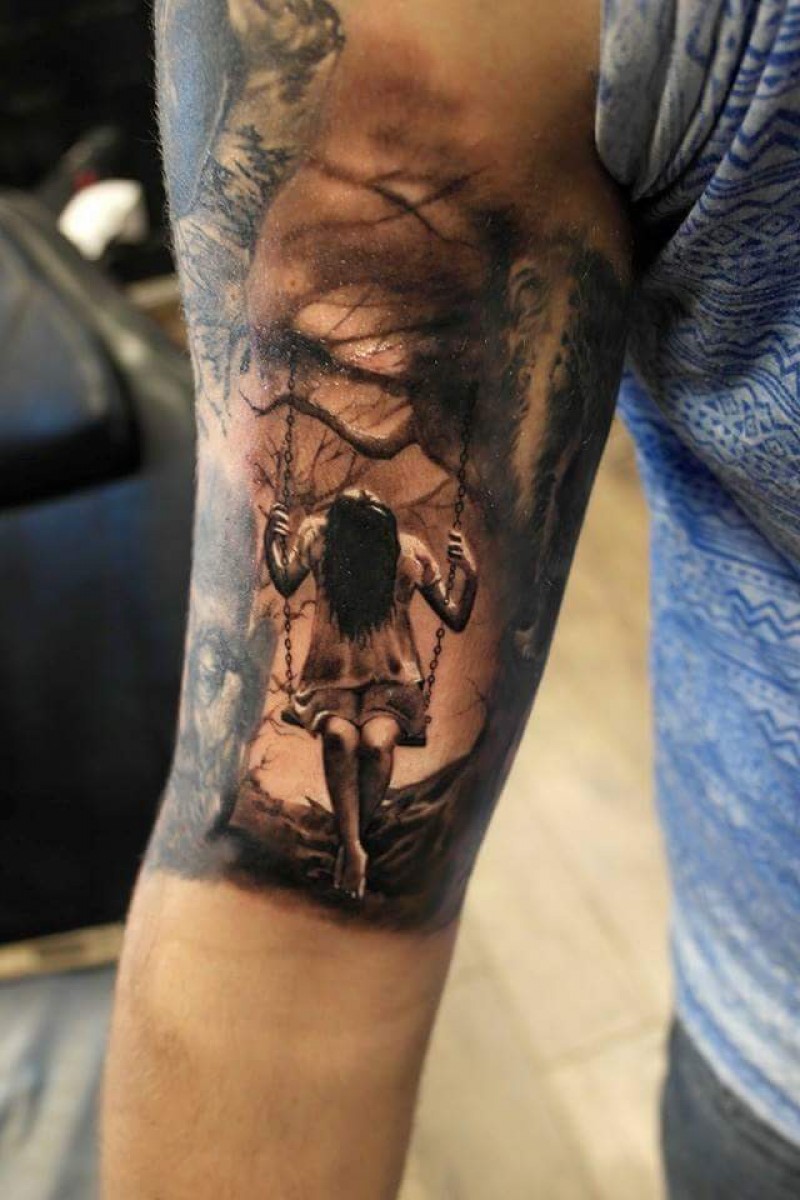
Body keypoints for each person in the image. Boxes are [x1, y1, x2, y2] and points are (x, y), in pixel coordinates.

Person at [102, 2, 800, 1198]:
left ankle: (355, 823)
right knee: (348, 758)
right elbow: (281, 945)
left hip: (375, 672)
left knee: (364, 743)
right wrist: (299, 546)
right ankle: (355, 830)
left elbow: (445, 581)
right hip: (775, 1039)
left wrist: (432, 559)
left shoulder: (394, 529)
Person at [264, 488, 477, 898]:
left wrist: (471, 573)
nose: (363, 489)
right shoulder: (318, 539)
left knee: (377, 746)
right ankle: (354, 849)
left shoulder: (407, 554)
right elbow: (286, 581)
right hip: (330, 679)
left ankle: (349, 846)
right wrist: (272, 539)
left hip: (392, 685)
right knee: (340, 738)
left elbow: (454, 617)